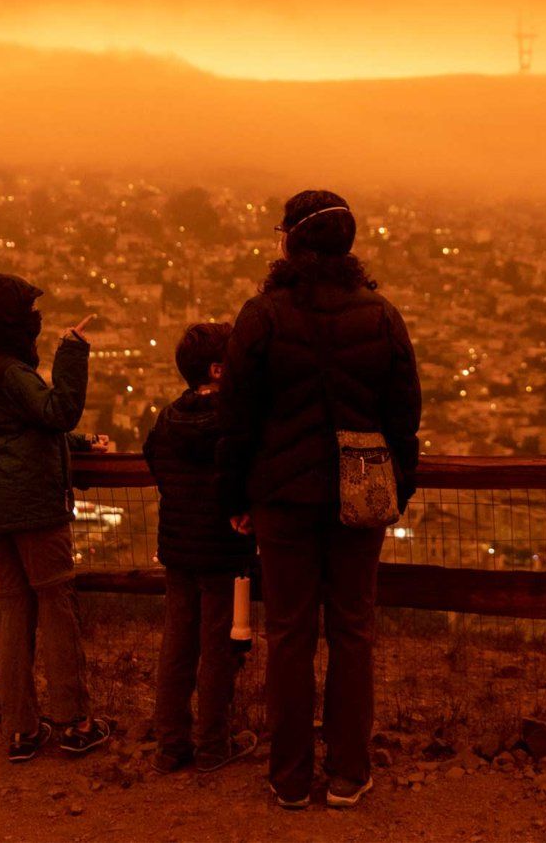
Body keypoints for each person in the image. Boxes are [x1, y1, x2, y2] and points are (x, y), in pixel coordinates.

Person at [217, 190, 421, 810]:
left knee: (291, 634)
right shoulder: (381, 317)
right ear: (348, 246)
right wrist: (395, 492)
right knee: (354, 631)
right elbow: (403, 418)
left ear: (290, 243)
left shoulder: (262, 317)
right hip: (360, 499)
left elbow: (237, 420)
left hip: (281, 499)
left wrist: (237, 495)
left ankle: (289, 776)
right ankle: (349, 771)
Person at [0, 273, 111, 763]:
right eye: (28, 313)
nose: (36, 321)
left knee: (13, 611)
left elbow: (21, 432)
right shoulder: (11, 372)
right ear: (14, 324)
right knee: (56, 606)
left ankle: (22, 729)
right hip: (33, 508)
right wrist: (72, 353)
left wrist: (79, 448)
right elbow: (59, 410)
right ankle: (75, 721)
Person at [143, 323, 258, 775]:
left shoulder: (166, 421)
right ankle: (213, 744)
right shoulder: (234, 424)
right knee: (218, 650)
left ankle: (171, 744)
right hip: (224, 551)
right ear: (217, 369)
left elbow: (156, 464)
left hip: (177, 550)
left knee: (177, 645)